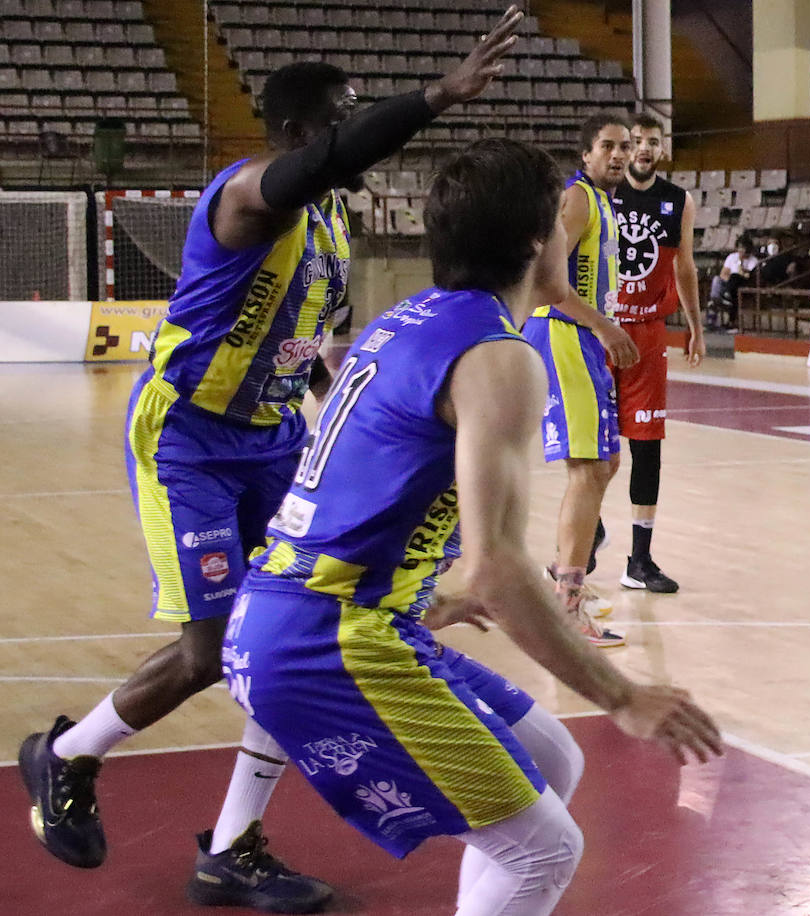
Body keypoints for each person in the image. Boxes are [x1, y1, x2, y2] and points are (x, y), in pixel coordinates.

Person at [17, 12, 524, 913]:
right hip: (192, 438)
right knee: (211, 649)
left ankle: (234, 843)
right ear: (296, 135)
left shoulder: (331, 225)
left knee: (280, 636)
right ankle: (65, 755)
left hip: (277, 433)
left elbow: (314, 348)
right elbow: (332, 159)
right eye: (339, 117)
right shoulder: (250, 193)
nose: (352, 128)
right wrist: (439, 95)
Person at [222, 137, 723, 916]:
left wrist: (439, 589)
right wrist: (622, 696)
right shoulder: (498, 354)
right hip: (327, 636)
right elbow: (496, 564)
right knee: (547, 848)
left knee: (552, 760)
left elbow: (385, 491)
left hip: (307, 610)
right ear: (537, 241)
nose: (570, 235)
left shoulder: (411, 318)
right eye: (561, 224)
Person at [521, 113, 638, 646]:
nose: (619, 154)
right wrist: (605, 324)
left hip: (583, 338)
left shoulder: (604, 202)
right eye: (608, 146)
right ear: (586, 154)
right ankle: (567, 606)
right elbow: (545, 281)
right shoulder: (578, 199)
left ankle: (563, 577)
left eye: (626, 146)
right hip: (564, 333)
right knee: (589, 468)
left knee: (606, 462)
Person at [608, 112, 705, 593]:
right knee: (594, 447)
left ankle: (638, 561)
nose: (644, 148)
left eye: (652, 141)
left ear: (662, 149)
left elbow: (684, 265)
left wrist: (694, 324)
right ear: (624, 149)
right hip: (601, 331)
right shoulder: (602, 194)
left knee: (647, 449)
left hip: (647, 334)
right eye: (637, 141)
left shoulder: (677, 201)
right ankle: (587, 535)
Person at [708, 236, 758, 329]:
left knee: (735, 276)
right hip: (729, 283)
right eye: (739, 247)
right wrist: (729, 281)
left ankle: (725, 300)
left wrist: (741, 265)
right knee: (716, 279)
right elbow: (724, 273)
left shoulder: (753, 260)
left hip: (741, 284)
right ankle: (717, 298)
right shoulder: (732, 257)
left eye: (743, 248)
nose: (741, 250)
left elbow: (746, 276)